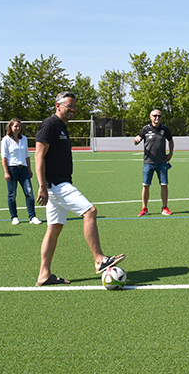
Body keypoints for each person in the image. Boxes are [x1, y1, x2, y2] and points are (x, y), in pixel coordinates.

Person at [34, 91, 124, 286]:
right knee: (90, 211)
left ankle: (44, 274)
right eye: (68, 105)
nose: (72, 109)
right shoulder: (50, 124)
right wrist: (42, 185)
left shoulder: (63, 127)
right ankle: (99, 259)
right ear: (57, 106)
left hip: (58, 183)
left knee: (54, 228)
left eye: (74, 105)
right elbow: (39, 155)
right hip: (56, 185)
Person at [134, 109, 174, 216]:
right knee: (146, 185)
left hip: (162, 162)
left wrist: (171, 153)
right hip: (148, 163)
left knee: (164, 185)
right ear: (150, 117)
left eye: (159, 116)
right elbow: (137, 140)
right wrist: (136, 140)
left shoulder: (164, 129)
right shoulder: (146, 129)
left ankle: (165, 208)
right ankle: (144, 209)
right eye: (155, 115)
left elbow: (170, 140)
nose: (157, 118)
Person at [1, 118, 41, 225]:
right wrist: (6, 172)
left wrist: (29, 169)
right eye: (15, 126)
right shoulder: (6, 140)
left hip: (23, 169)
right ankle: (14, 217)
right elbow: (4, 157)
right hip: (12, 169)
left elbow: (27, 155)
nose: (18, 128)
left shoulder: (24, 139)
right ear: (11, 127)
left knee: (29, 193)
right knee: (12, 194)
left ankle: (32, 217)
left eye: (19, 126)